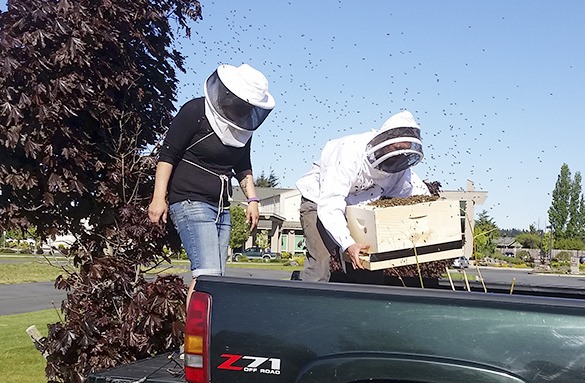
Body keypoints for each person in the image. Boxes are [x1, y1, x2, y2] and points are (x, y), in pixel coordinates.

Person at [148, 63, 275, 306]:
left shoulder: (243, 129)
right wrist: (158, 198)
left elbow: (243, 166)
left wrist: (253, 200)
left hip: (221, 207)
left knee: (217, 279)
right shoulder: (195, 110)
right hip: (189, 200)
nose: (244, 109)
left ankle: (206, 336)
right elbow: (167, 156)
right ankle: (196, 341)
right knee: (207, 275)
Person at [295, 110, 431, 282]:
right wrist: (348, 244)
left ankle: (362, 308)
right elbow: (330, 204)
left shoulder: (399, 168)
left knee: (367, 265)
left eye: (404, 151)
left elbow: (417, 195)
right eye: (397, 149)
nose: (400, 155)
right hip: (319, 201)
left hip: (358, 210)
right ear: (386, 141)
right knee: (320, 264)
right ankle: (308, 307)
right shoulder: (348, 152)